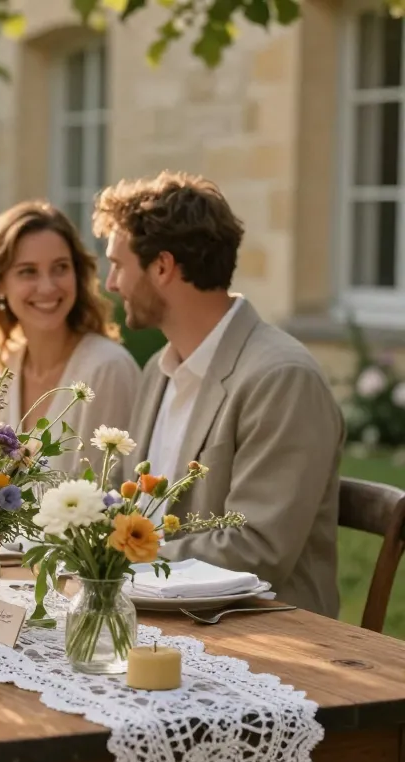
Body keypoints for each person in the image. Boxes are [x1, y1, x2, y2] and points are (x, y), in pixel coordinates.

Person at [95, 170, 344, 618]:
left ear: (162, 267)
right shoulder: (158, 369)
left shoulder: (281, 378)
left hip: (269, 641)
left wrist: (113, 559)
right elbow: (125, 499)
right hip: (158, 620)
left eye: (117, 265)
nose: (111, 284)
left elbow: (257, 547)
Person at [0, 200, 139, 479]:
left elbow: (116, 494)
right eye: (28, 271)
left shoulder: (107, 369)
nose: (48, 286)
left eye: (60, 267)